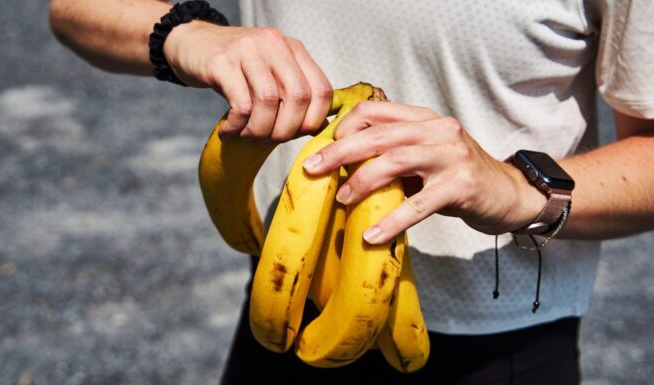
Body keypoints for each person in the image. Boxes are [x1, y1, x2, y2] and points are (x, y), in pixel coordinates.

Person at [49, 0, 654, 383]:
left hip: (500, 344)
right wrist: (186, 34)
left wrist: (521, 189)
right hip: (288, 298)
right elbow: (74, 9)